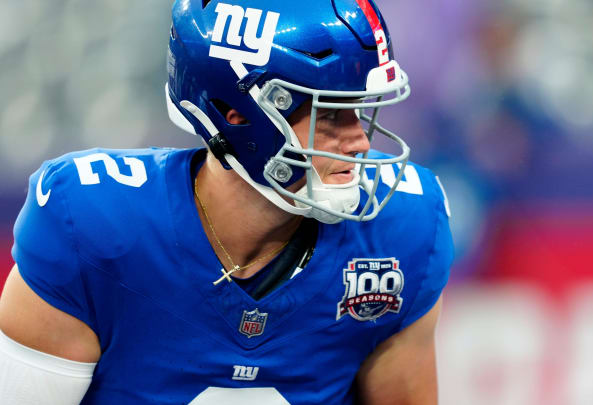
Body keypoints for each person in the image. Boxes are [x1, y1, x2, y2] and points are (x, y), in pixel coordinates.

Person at [0, 0, 453, 403]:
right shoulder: (92, 223)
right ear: (237, 117)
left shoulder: (403, 226)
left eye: (358, 110)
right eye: (329, 114)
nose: (358, 142)